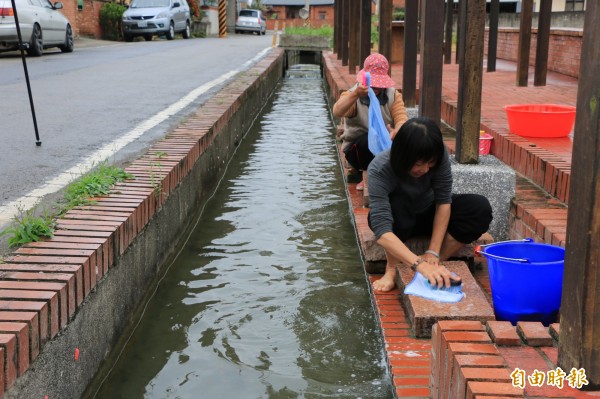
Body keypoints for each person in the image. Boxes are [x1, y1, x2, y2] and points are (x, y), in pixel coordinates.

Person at [367, 117, 493, 292]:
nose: (425, 169)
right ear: (402, 155)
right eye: (419, 164)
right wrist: (418, 264)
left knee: (479, 207)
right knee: (390, 208)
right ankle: (391, 269)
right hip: (400, 218)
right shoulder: (380, 169)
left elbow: (443, 201)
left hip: (429, 211)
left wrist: (433, 252)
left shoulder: (438, 155)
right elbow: (382, 230)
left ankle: (438, 260)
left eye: (430, 163)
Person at [333, 53, 408, 190]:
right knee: (369, 140)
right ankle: (367, 174)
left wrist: (397, 131)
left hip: (385, 148)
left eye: (378, 84)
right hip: (359, 150)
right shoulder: (352, 94)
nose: (375, 88)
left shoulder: (393, 95)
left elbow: (401, 119)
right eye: (372, 84)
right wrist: (355, 95)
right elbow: (338, 111)